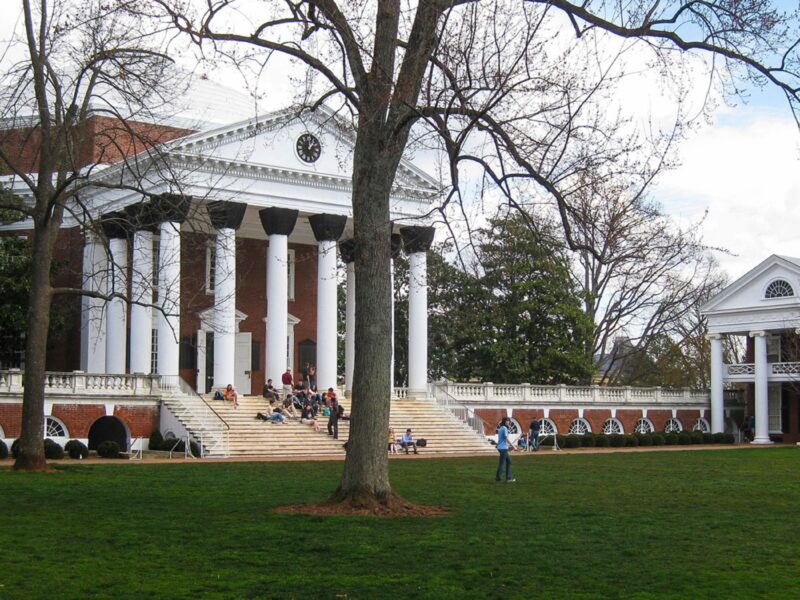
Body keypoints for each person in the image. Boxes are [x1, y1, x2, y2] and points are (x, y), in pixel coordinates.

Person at [495, 417, 515, 482]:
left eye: (509, 421)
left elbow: (503, 439)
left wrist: (509, 446)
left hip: (501, 447)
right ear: (504, 422)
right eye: (507, 421)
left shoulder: (501, 428)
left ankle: (506, 478)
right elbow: (506, 438)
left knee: (508, 461)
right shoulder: (505, 428)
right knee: (502, 463)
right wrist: (513, 446)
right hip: (503, 448)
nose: (508, 422)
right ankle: (502, 478)